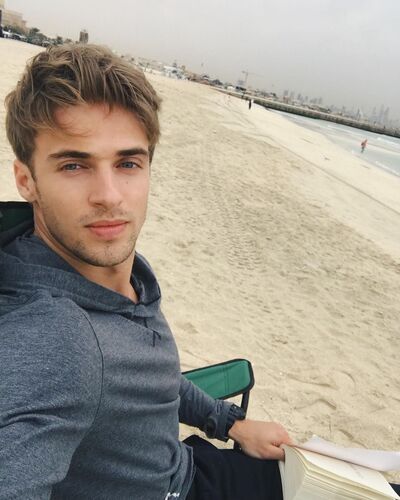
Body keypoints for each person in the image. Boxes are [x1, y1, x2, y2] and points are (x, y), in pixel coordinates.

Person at [0, 44, 291, 499]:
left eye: (127, 163)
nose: (109, 195)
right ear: (26, 180)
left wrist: (231, 423)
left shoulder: (113, 267)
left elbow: (146, 375)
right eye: (74, 165)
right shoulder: (56, 337)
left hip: (190, 462)